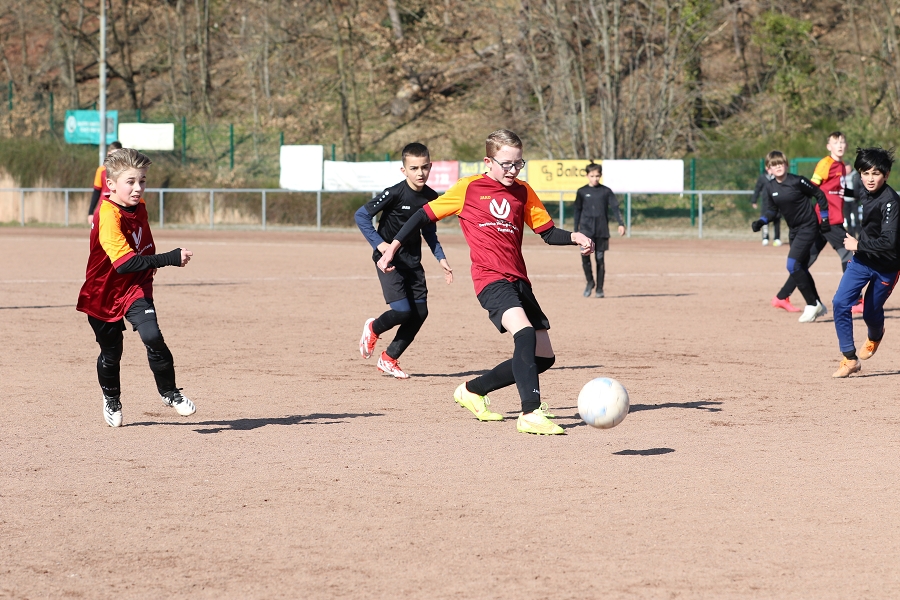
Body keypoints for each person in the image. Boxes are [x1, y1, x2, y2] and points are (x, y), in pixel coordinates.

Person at [377, 129, 594, 436]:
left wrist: (574, 236)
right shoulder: (469, 188)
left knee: (544, 357)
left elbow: (546, 232)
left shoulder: (523, 191)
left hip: (519, 280)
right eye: (506, 164)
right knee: (524, 333)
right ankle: (530, 413)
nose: (513, 170)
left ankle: (473, 390)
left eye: (518, 163)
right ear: (488, 161)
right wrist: (392, 249)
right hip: (490, 279)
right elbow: (422, 216)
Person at [76, 148, 196, 428]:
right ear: (111, 184)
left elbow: (139, 250)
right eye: (130, 181)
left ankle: (170, 392)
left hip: (135, 286)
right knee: (111, 354)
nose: (138, 188)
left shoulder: (138, 205)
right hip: (103, 293)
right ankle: (112, 398)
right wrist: (170, 258)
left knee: (152, 336)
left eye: (142, 180)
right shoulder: (108, 215)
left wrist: (151, 263)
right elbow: (124, 264)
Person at [355, 142, 453, 379]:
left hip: (412, 261)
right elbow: (361, 215)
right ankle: (373, 327)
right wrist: (381, 245)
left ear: (430, 167)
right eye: (414, 168)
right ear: (404, 170)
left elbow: (429, 232)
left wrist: (440, 257)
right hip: (388, 261)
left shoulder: (431, 197)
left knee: (420, 313)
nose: (420, 173)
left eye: (424, 167)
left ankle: (389, 358)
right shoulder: (394, 193)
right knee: (401, 311)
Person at [830, 147, 900, 378]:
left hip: (887, 266)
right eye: (865, 173)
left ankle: (875, 336)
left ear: (886, 175)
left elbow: (889, 241)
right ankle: (850, 358)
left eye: (876, 174)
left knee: (870, 313)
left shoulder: (891, 202)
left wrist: (857, 245)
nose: (870, 179)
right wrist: (831, 189)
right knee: (840, 302)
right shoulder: (865, 189)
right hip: (862, 261)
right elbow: (852, 192)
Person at [752, 150, 831, 323]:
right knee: (801, 266)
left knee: (792, 265)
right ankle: (817, 303)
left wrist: (824, 218)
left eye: (781, 163)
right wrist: (761, 222)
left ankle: (811, 304)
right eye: (774, 165)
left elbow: (819, 194)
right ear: (768, 169)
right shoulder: (770, 187)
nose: (778, 167)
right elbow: (772, 210)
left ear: (786, 165)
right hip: (793, 230)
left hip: (808, 226)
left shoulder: (798, 181)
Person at [572, 162, 624, 298]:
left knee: (600, 259)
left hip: (601, 230)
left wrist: (621, 224)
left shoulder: (606, 191)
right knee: (585, 258)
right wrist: (576, 230)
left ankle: (600, 289)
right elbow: (577, 211)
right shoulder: (582, 192)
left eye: (597, 176)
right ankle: (590, 282)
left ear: (600, 176)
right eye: (592, 176)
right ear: (587, 176)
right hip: (586, 231)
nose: (595, 178)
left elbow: (615, 207)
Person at [87, 141, 123, 225]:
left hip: (119, 208)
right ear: (109, 154)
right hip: (104, 207)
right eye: (114, 154)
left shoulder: (124, 171)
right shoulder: (101, 170)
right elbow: (96, 192)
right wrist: (90, 212)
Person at [750, 166, 781, 246]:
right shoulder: (762, 177)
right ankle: (765, 238)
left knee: (777, 220)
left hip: (776, 202)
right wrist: (754, 201)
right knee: (765, 220)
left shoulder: (777, 177)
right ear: (767, 168)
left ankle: (777, 238)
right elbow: (757, 189)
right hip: (766, 203)